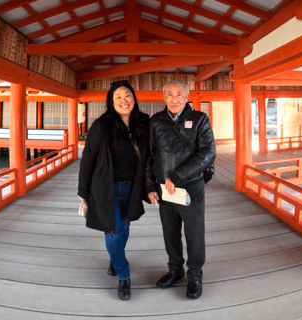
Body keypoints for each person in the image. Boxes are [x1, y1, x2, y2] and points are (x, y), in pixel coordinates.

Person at [78, 80, 150, 301]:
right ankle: (124, 275)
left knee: (124, 226)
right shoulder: (101, 125)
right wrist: (83, 190)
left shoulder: (144, 122)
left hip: (132, 187)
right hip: (104, 188)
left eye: (127, 95)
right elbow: (88, 159)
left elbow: (151, 156)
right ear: (111, 101)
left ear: (134, 98)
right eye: (118, 97)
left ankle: (114, 257)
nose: (123, 101)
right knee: (113, 229)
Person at [146, 79, 216, 299]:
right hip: (164, 190)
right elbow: (149, 155)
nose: (174, 98)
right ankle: (175, 269)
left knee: (194, 233)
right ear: (163, 96)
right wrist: (149, 185)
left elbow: (208, 153)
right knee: (170, 231)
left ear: (187, 97)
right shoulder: (156, 121)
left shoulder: (199, 119)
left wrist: (177, 177)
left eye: (179, 94)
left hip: (190, 187)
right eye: (169, 94)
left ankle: (195, 274)